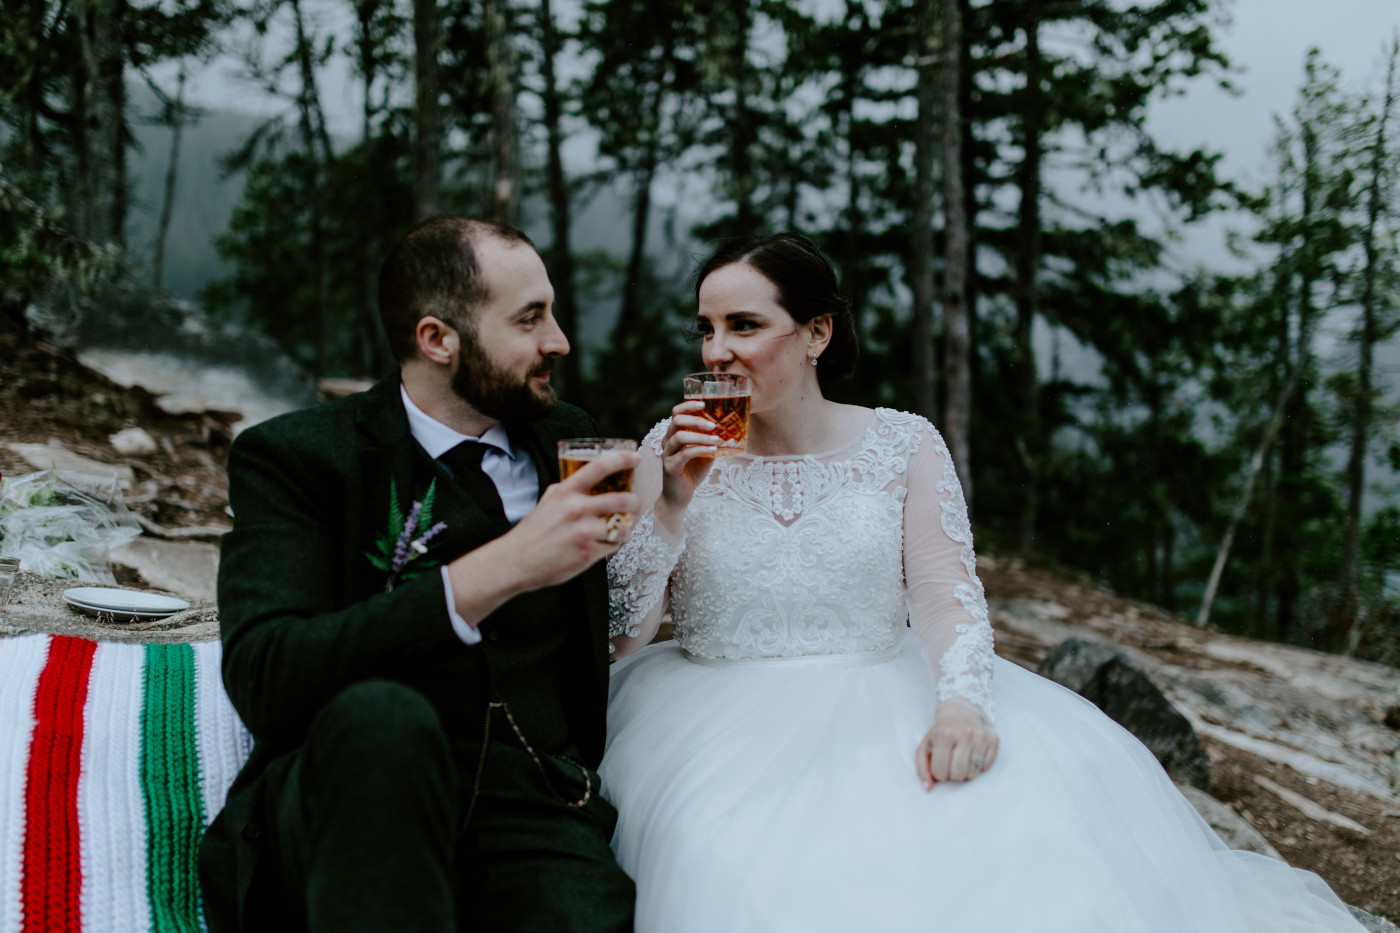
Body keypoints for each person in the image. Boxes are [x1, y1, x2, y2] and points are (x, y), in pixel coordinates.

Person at [600, 232, 1366, 932]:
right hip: (711, 717)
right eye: (706, 327)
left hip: (880, 689)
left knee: (997, 838)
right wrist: (669, 502)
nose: (717, 350)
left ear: (816, 333)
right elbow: (622, 632)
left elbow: (943, 591)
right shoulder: (671, 447)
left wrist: (960, 703)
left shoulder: (902, 442)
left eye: (744, 325)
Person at [200, 215, 639, 933]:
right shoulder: (300, 458)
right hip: (359, 798)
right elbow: (267, 673)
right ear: (437, 339)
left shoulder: (567, 439)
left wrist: (676, 502)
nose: (558, 340)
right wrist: (493, 571)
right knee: (385, 717)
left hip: (533, 812)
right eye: (530, 318)